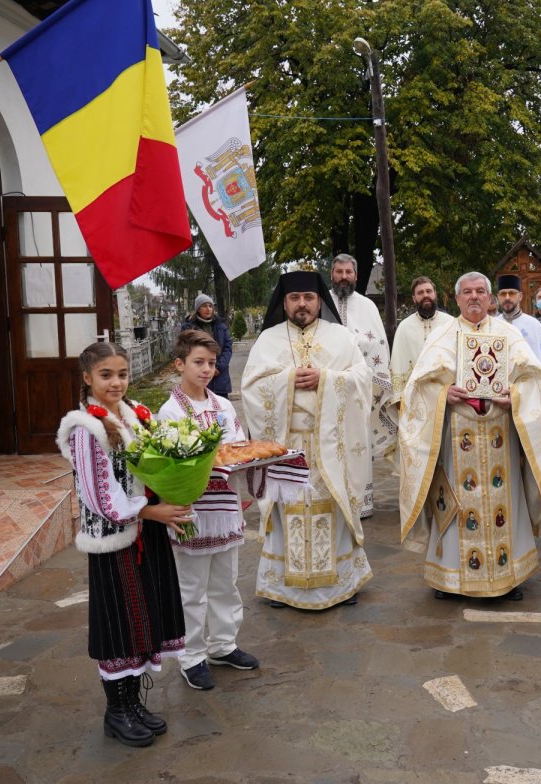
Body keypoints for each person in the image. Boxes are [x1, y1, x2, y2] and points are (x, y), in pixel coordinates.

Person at [56, 342, 190, 748]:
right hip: (115, 539)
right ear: (87, 378)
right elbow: (99, 495)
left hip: (146, 531)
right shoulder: (86, 428)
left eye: (122, 374)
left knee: (143, 616)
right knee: (119, 624)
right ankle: (116, 711)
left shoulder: (135, 415)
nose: (116, 382)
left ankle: (133, 702)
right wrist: (151, 511)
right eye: (106, 375)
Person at [398, 272, 541, 601]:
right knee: (456, 502)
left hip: (500, 435)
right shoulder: (441, 336)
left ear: (490, 298)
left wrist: (515, 396)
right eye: (467, 292)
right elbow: (417, 388)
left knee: (504, 502)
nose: (474, 297)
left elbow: (535, 380)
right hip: (457, 435)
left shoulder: (509, 335)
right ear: (457, 299)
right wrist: (443, 394)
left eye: (480, 291)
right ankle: (450, 578)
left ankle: (507, 576)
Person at [241, 271, 374, 609]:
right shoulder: (268, 339)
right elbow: (251, 387)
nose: (302, 304)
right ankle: (284, 587)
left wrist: (325, 379)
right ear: (284, 303)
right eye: (295, 298)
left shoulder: (341, 337)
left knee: (333, 506)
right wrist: (287, 380)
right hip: (287, 447)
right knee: (287, 508)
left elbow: (363, 378)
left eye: (309, 298)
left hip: (330, 444)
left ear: (319, 301)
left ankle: (341, 583)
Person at [158, 330, 260, 692]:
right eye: (198, 362)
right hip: (193, 511)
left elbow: (239, 448)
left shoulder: (223, 406)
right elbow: (170, 462)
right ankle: (192, 656)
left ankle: (223, 645)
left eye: (211, 363)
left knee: (225, 583)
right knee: (191, 589)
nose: (206, 370)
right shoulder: (170, 411)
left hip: (225, 506)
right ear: (179, 364)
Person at [329, 254, 397, 476]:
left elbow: (378, 344)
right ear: (331, 274)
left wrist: (354, 343)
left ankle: (361, 493)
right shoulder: (321, 303)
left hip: (360, 388)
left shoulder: (368, 306)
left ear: (356, 276)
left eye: (348, 272)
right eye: (339, 272)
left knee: (358, 441)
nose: (344, 277)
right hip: (328, 388)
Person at [390, 276, 453, 407]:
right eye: (420, 292)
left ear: (435, 294)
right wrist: (399, 397)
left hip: (447, 395)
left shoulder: (450, 323)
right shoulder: (404, 327)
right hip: (415, 397)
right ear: (414, 298)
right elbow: (398, 361)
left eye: (429, 291)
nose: (425, 295)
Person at [181, 293, 234, 398]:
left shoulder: (221, 326)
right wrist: (203, 366)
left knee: (221, 406)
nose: (208, 309)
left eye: (210, 306)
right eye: (204, 306)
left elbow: (227, 348)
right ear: (198, 309)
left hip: (220, 377)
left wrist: (217, 367)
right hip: (199, 375)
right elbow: (185, 349)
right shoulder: (188, 328)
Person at [496, 274, 541, 372]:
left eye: (512, 293)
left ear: (520, 296)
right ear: (498, 297)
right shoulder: (493, 324)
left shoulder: (534, 325)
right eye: (503, 294)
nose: (507, 297)